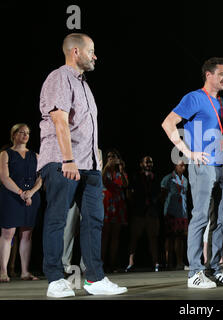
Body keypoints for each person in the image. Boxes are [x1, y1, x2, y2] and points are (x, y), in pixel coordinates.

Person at [37, 33, 126, 297]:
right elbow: (59, 121)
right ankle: (54, 279)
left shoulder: (84, 85)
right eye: (92, 51)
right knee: (57, 219)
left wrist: (96, 162)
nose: (95, 56)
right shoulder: (59, 77)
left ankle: (95, 278)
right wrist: (68, 159)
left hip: (89, 165)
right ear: (76, 52)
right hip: (62, 160)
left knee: (94, 220)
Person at [162, 57, 223, 288]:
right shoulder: (194, 97)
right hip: (203, 165)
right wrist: (189, 152)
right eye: (221, 74)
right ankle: (194, 272)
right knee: (201, 217)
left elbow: (222, 130)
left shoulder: (222, 103)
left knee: (221, 221)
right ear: (208, 75)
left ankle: (214, 269)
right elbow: (168, 123)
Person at [0, 124, 42, 282]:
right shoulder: (6, 154)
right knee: (7, 234)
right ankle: (3, 271)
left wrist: (30, 193)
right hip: (11, 196)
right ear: (13, 135)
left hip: (31, 197)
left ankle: (25, 271)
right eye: (21, 132)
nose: (25, 135)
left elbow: (40, 178)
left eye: (28, 133)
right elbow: (4, 177)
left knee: (27, 235)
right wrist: (21, 193)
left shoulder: (35, 155)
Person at [126, 156, 161, 272]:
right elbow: (130, 193)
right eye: (146, 162)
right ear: (141, 164)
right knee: (134, 238)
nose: (149, 164)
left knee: (153, 238)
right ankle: (131, 263)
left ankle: (156, 263)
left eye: (150, 162)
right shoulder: (135, 177)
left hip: (152, 212)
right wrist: (135, 205)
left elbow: (160, 193)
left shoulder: (156, 177)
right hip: (138, 211)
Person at [101, 149, 128, 273]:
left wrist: (121, 170)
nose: (111, 158)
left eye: (114, 157)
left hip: (118, 205)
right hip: (107, 204)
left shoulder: (119, 172)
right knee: (105, 235)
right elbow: (102, 180)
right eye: (109, 156)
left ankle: (112, 263)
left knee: (115, 236)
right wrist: (107, 165)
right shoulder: (105, 170)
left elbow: (125, 184)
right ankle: (101, 263)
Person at [161, 160, 189, 270]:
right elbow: (162, 195)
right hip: (171, 212)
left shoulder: (185, 180)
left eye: (184, 165)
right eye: (180, 165)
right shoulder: (168, 178)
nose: (183, 166)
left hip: (182, 212)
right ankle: (169, 263)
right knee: (170, 237)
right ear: (175, 165)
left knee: (180, 237)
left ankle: (179, 262)